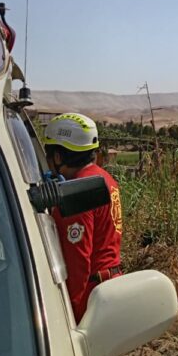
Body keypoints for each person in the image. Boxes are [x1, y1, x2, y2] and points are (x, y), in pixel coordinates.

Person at [43, 113, 123, 324]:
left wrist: (70, 315)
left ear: (59, 157)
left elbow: (78, 261)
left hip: (89, 292)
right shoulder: (104, 179)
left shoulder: (76, 193)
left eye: (49, 155)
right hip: (110, 284)